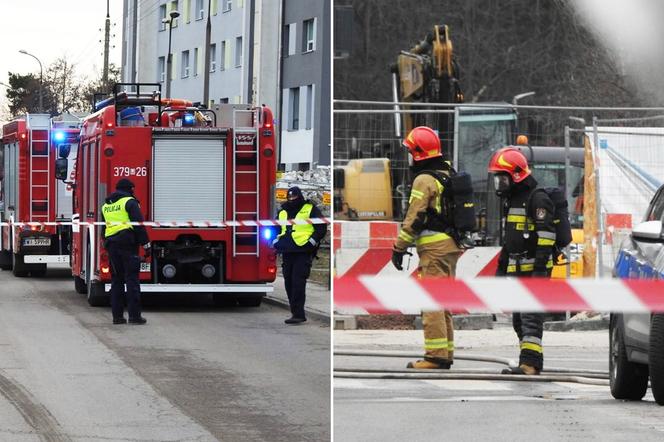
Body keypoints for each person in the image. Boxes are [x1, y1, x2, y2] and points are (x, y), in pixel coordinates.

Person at [391, 126, 463, 369]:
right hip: (451, 245)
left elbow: (415, 216)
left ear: (419, 153)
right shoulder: (447, 174)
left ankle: (435, 357)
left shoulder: (424, 179)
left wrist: (399, 247)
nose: (409, 156)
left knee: (431, 302)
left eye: (411, 151)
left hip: (434, 249)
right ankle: (445, 353)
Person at [488, 147, 556, 375]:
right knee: (520, 320)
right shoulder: (512, 200)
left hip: (534, 271)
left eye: (502, 178)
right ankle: (530, 360)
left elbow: (547, 237)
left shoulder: (537, 199)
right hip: (517, 270)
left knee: (530, 318)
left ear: (516, 175)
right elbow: (510, 241)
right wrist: (501, 269)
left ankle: (530, 364)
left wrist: (538, 271)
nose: (499, 183)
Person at [273, 186, 327, 324]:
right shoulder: (283, 211)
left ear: (299, 196)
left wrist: (311, 243)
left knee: (298, 283)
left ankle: (298, 314)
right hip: (287, 251)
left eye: (294, 197)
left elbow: (321, 228)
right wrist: (274, 242)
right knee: (288, 283)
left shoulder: (309, 208)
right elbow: (275, 228)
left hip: (303, 251)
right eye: (289, 197)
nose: (292, 199)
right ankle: (294, 312)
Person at [101, 178, 150, 325]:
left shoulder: (106, 206)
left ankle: (117, 317)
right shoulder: (130, 202)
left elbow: (103, 228)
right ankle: (135, 317)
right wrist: (146, 244)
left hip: (112, 245)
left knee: (116, 280)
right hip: (128, 245)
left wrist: (106, 243)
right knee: (132, 279)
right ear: (130, 189)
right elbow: (138, 225)